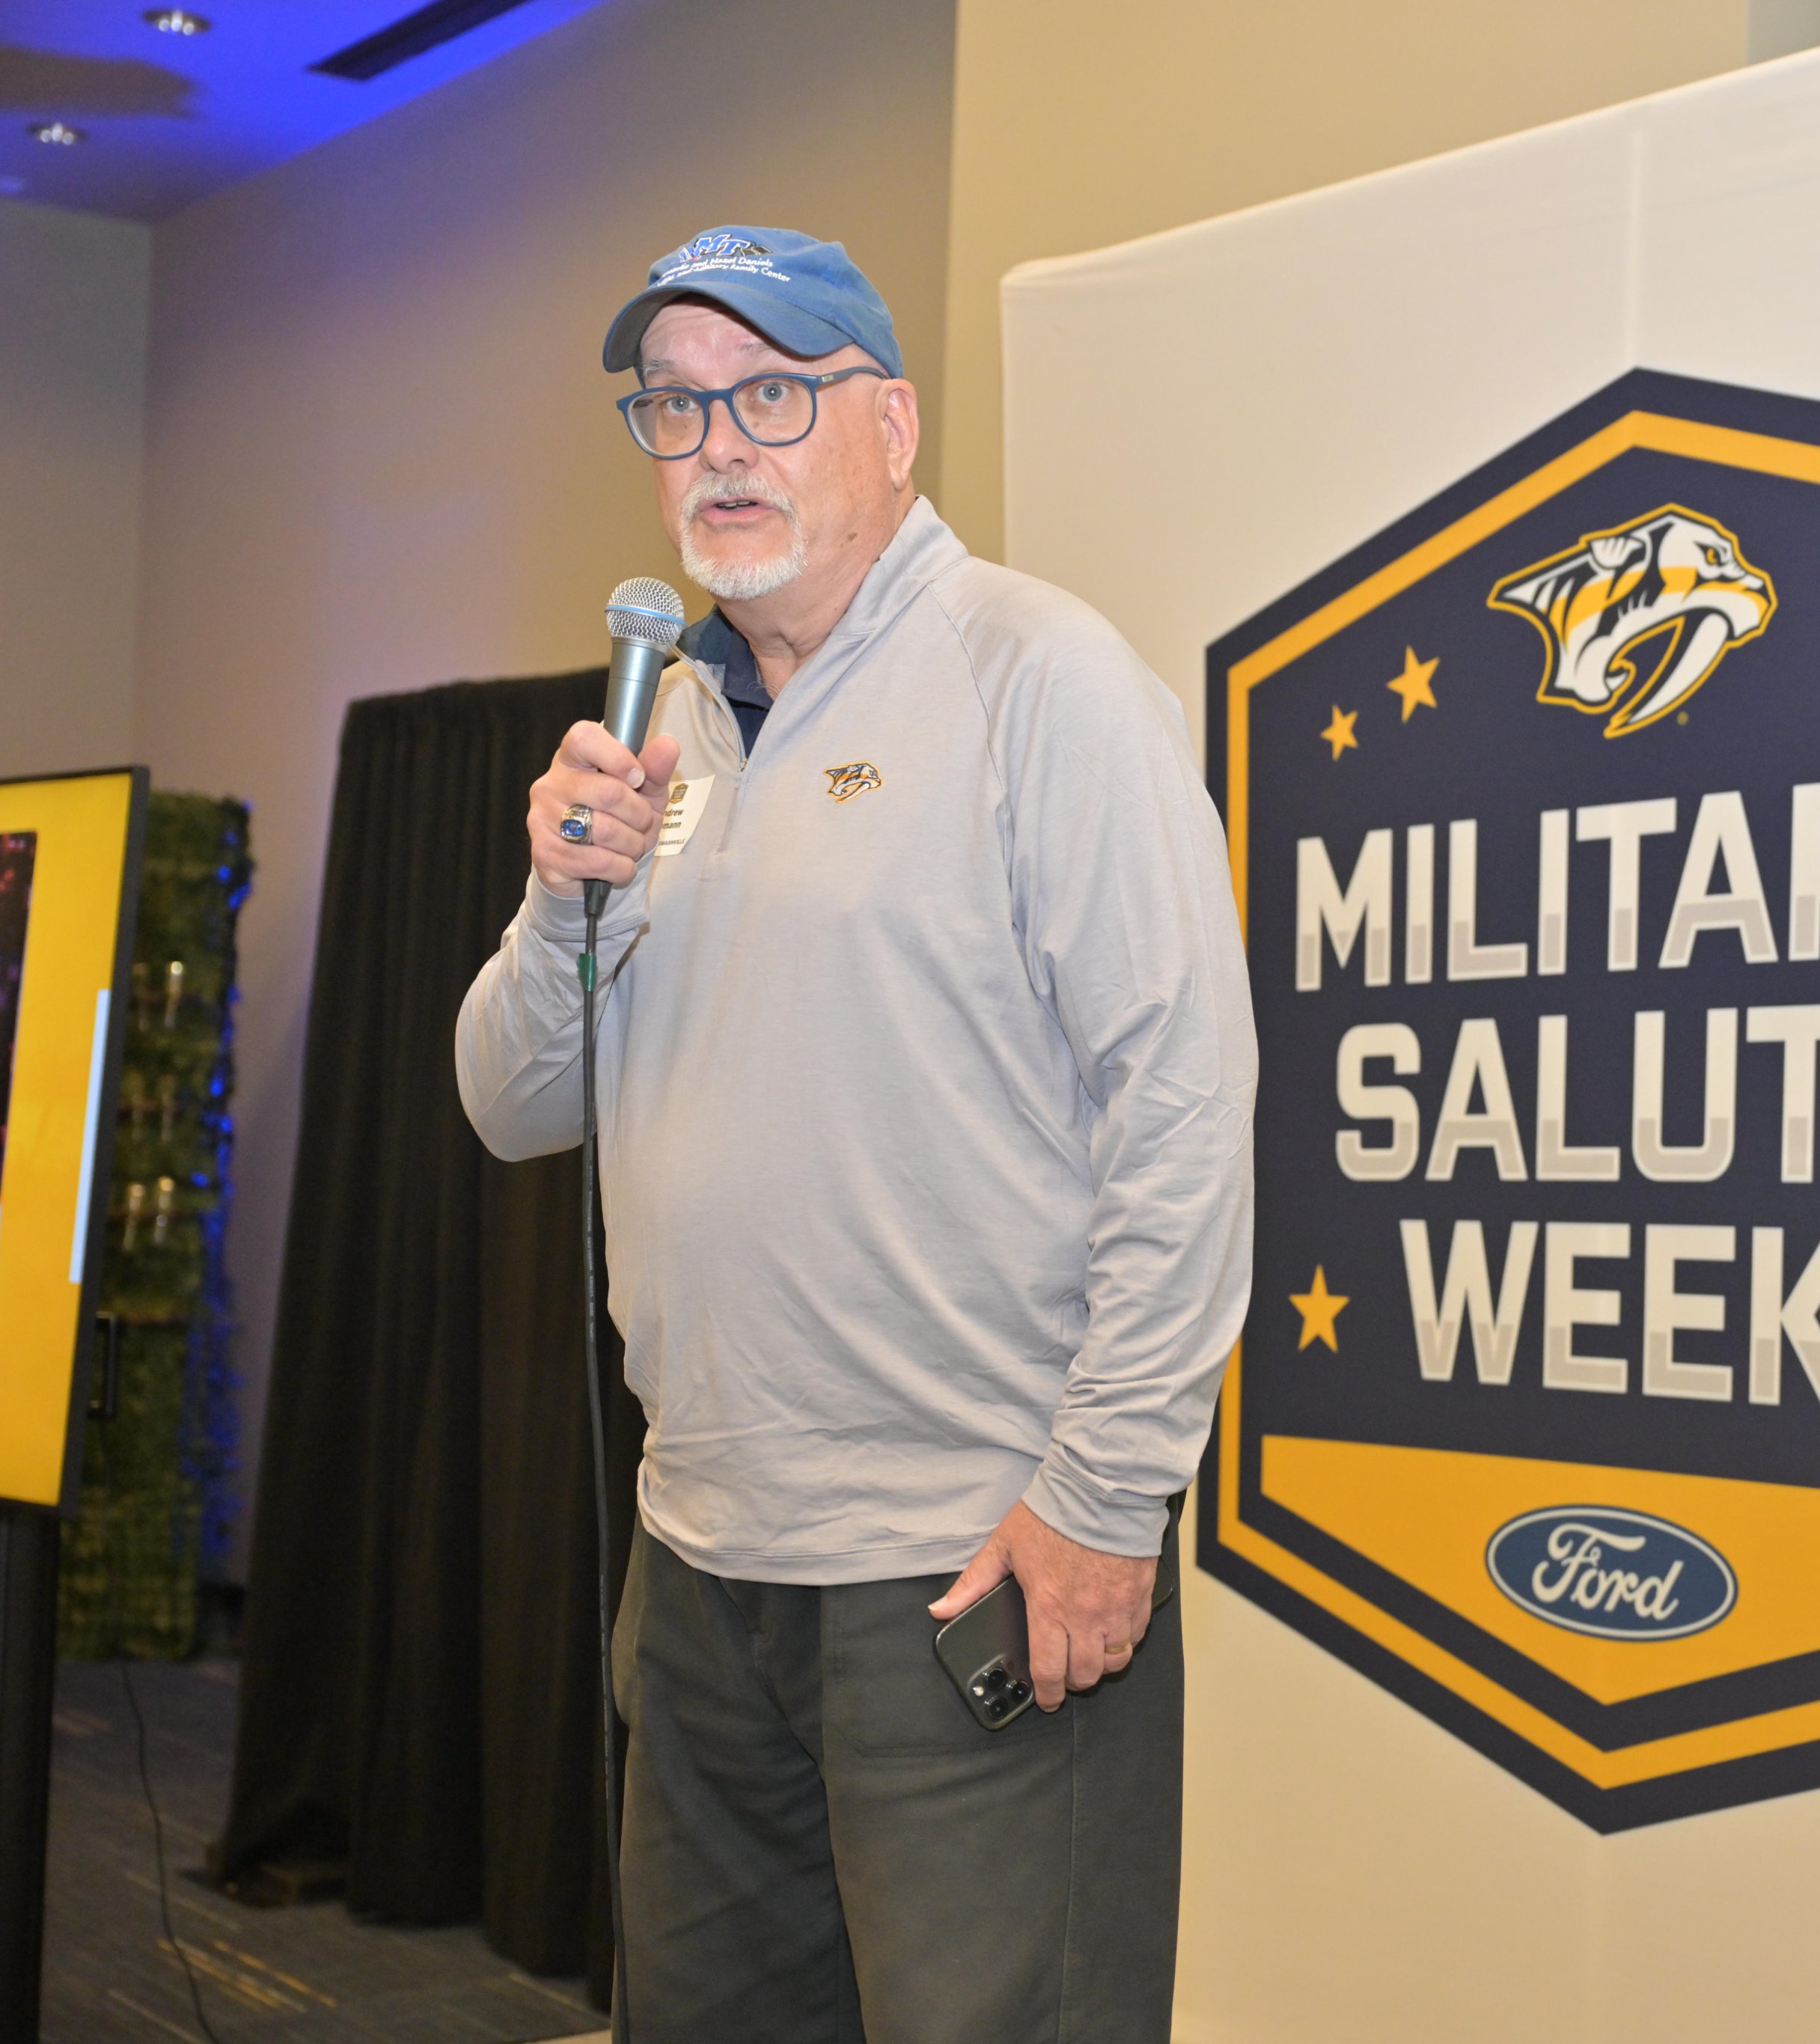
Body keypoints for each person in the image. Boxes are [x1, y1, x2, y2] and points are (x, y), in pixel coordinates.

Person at [454, 225, 1254, 2044]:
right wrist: (557, 901)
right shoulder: (657, 743)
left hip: (971, 1563)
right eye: (674, 404)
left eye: (773, 392)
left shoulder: (1036, 680)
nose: (719, 442)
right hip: (706, 1561)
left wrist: (1104, 1495)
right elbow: (511, 1101)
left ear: (889, 425)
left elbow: (1184, 1114)